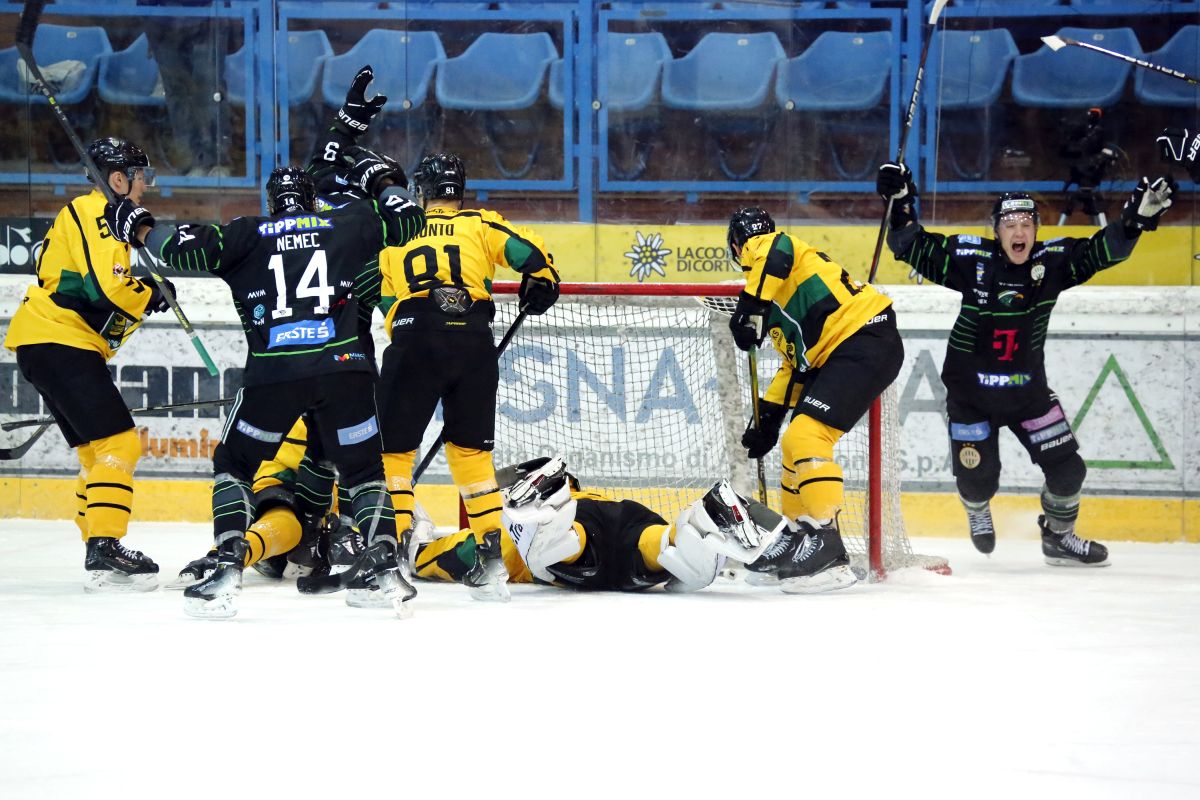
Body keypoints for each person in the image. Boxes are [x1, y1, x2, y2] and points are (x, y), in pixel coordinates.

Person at [104, 149, 426, 618]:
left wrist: (136, 224)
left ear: (272, 202)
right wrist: (381, 181)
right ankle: (382, 572)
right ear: (312, 201)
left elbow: (177, 248)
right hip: (345, 372)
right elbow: (408, 220)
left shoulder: (245, 233)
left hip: (276, 374)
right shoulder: (346, 223)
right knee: (364, 473)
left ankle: (228, 564)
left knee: (233, 463)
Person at [876, 162, 1175, 565]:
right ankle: (978, 507)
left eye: (1027, 223)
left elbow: (1104, 251)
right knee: (979, 480)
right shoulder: (970, 259)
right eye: (1010, 223)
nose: (1019, 232)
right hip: (970, 397)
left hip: (1029, 394)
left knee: (1069, 471)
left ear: (1036, 230)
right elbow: (909, 246)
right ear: (996, 230)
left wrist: (1135, 221)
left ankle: (1058, 537)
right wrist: (900, 202)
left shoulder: (1054, 262)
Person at [375, 152, 561, 602]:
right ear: (458, 191)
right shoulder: (480, 223)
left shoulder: (397, 232)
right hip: (474, 341)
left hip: (415, 335)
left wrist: (416, 330)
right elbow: (532, 256)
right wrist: (542, 280)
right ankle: (491, 558)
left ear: (422, 191)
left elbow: (383, 300)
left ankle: (394, 556)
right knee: (472, 454)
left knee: (394, 453)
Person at [3, 137, 167, 592]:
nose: (144, 189)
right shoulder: (97, 211)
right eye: (139, 178)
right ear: (117, 179)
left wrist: (142, 289)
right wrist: (145, 291)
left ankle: (98, 550)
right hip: (58, 340)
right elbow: (106, 287)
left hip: (48, 342)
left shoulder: (101, 216)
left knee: (97, 453)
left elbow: (100, 293)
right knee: (120, 444)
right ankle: (105, 546)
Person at [725, 207, 904, 594]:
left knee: (806, 439)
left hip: (863, 339)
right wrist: (768, 418)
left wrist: (750, 306)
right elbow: (795, 367)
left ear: (737, 246)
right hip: (849, 348)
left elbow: (777, 247)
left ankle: (829, 549)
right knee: (792, 444)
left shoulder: (769, 248)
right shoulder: (779, 298)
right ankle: (798, 540)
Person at [411, 456, 786, 593]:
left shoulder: (508, 536)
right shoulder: (585, 493)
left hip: (577, 529)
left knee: (565, 544)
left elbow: (446, 555)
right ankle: (705, 518)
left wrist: (416, 556)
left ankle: (556, 526)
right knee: (663, 546)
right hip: (627, 520)